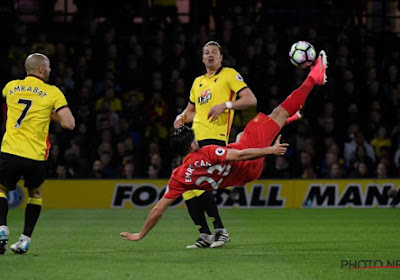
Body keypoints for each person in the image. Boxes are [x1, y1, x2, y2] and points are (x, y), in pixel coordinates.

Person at [120, 50, 328, 244]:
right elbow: (241, 154)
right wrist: (270, 151)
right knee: (278, 112)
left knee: (241, 134)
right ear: (193, 144)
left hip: (243, 175)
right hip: (248, 161)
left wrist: (140, 234)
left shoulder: (179, 176)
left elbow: (158, 209)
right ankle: (313, 79)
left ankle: (288, 119)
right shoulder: (208, 152)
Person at [173, 41, 257, 248]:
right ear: (202, 58)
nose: (210, 55)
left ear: (221, 57)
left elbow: (250, 100)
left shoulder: (229, 74)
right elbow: (192, 111)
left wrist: (226, 105)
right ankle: (205, 234)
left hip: (215, 138)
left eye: (214, 52)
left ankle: (220, 231)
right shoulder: (197, 82)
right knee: (188, 188)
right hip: (194, 141)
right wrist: (182, 117)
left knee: (198, 184)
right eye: (206, 53)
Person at [0, 53, 75, 255]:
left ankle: (1, 228)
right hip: (36, 155)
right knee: (35, 194)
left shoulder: (10, 87)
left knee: (1, 189)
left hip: (10, 150)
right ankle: (24, 240)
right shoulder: (53, 92)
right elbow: (70, 124)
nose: (50, 70)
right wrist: (54, 117)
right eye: (48, 67)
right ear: (41, 69)